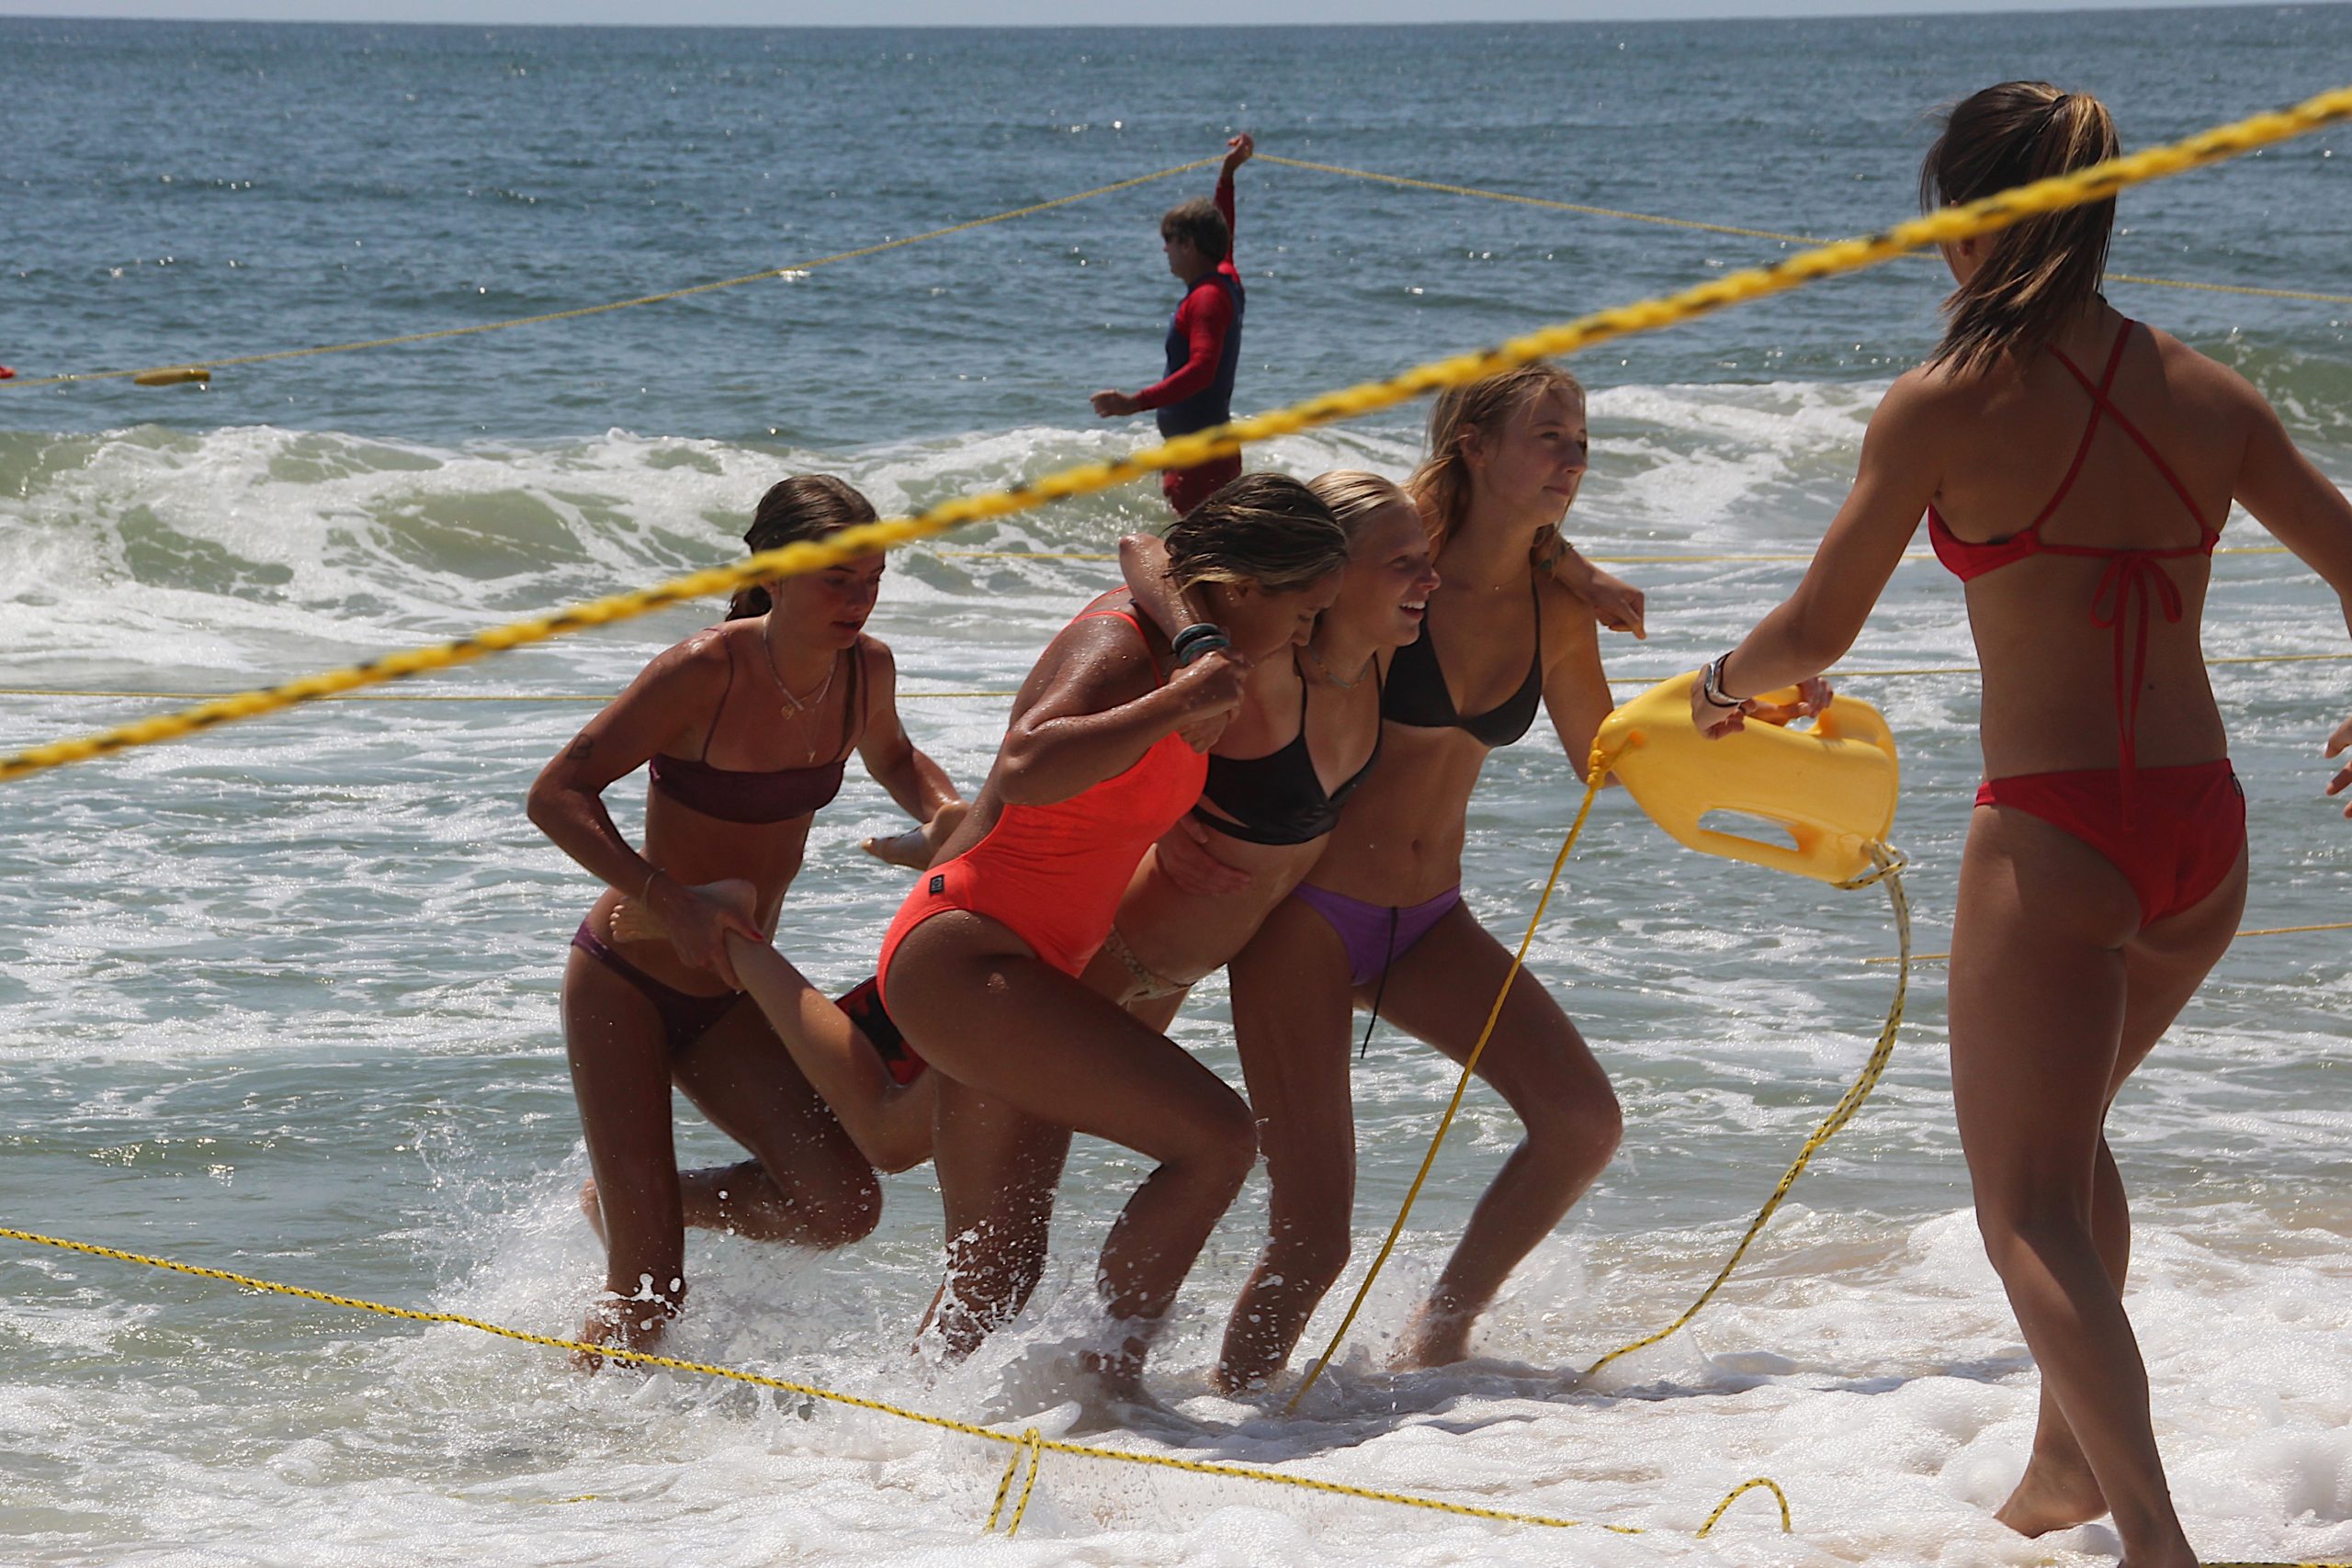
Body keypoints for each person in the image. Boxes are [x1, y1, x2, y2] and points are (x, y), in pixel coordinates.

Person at [1690, 83, 2352, 1568]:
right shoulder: (2210, 393)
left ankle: (2158, 1546)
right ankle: (2063, 1469)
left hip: (2056, 837)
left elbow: (1817, 623)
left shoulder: (1946, 400)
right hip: (2202, 837)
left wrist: (1726, 687)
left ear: (1968, 222)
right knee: (2066, 1143)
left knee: (2029, 1200)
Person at [1203, 365, 1635, 1394]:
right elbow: (1259, 586)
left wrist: (1735, 702)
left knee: (1582, 1122)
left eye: (1581, 439)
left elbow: (1606, 756)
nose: (1572, 457)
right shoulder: (1393, 573)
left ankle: (1438, 1336)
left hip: (1428, 922)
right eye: (1549, 436)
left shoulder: (1552, 611)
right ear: (1473, 447)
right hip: (1305, 915)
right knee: (1315, 1236)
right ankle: (1221, 1420)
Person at [876, 473, 1351, 1398]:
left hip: (1019, 963)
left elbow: (1149, 556)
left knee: (995, 1277)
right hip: (968, 954)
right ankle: (1102, 1387)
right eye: (1301, 614)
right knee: (1215, 1138)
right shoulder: (1124, 642)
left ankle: (887, 1443)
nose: (1306, 637)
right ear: (1246, 588)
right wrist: (1178, 700)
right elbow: (1027, 763)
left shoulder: (1184, 638)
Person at [527, 474, 964, 1359]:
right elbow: (556, 793)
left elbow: (897, 757)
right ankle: (563, 1455)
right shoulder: (707, 668)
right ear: (772, 572)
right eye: (836, 579)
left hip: (731, 990)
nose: (859, 599)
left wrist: (951, 819)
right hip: (628, 980)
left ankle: (634, 1201)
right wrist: (668, 899)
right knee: (651, 1292)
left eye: (872, 578)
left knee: (842, 1205)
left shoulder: (864, 670)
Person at [1080, 471, 1439, 1021]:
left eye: (1424, 557)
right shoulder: (1264, 666)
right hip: (1107, 959)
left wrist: (1579, 575)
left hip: (1174, 979)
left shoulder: (1378, 657)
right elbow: (1147, 550)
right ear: (1331, 573)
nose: (1430, 578)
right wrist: (1198, 644)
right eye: (1403, 563)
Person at [1091, 133, 1254, 518]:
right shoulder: (1223, 275)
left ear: (1189, 244)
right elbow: (1224, 230)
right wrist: (1227, 176)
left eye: (1170, 240)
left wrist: (1135, 403)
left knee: (1199, 558)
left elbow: (1201, 370)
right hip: (1199, 452)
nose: (1165, 249)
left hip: (1202, 458)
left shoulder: (1207, 298)